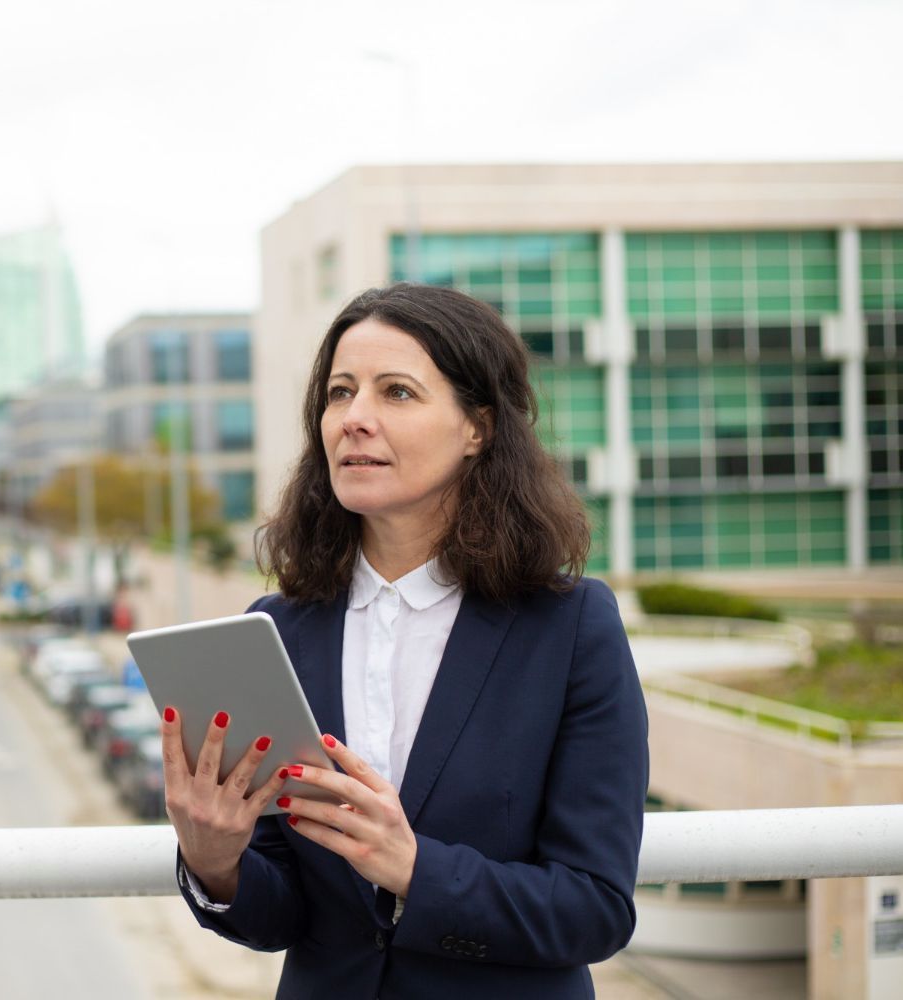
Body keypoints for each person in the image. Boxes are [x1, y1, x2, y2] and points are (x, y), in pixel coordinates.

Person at [161, 282, 649, 998]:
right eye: (339, 393)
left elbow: (596, 909)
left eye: (396, 393)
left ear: (477, 427)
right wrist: (216, 862)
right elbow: (285, 913)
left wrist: (417, 872)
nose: (354, 419)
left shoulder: (572, 629)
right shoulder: (278, 629)